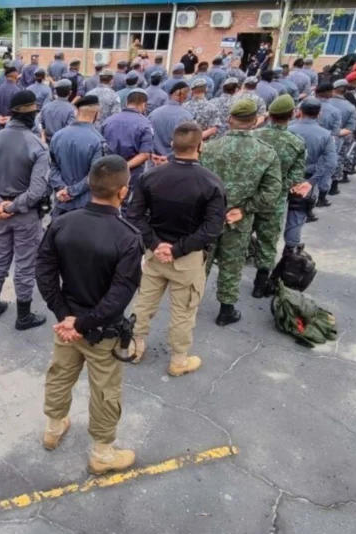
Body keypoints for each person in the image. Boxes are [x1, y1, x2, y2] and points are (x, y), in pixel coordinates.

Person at [35, 155, 142, 474]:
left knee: (59, 375)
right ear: (122, 191)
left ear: (91, 185)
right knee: (106, 391)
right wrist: (82, 323)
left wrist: (65, 316)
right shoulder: (127, 237)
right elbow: (120, 295)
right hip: (100, 331)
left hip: (67, 324)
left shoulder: (63, 222)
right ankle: (102, 453)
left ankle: (53, 430)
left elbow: (44, 271)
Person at [127, 123, 225, 376]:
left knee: (144, 302)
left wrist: (156, 244)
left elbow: (134, 215)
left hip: (154, 254)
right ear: (199, 146)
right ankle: (178, 360)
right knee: (183, 311)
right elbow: (212, 228)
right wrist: (178, 249)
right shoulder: (211, 182)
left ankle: (134, 347)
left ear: (172, 144)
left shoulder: (151, 176)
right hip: (188, 258)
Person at [200, 99, 282, 325]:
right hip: (239, 220)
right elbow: (271, 192)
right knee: (232, 263)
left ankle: (189, 307)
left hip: (207, 218)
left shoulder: (208, 148)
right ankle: (226, 311)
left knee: (200, 263)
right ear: (255, 122)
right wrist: (244, 209)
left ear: (229, 120)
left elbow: (195, 185)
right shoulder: (266, 153)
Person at [0, 90, 49, 330]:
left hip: (0, 214)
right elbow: (37, 191)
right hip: (25, 215)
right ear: (31, 115)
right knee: (25, 264)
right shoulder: (37, 145)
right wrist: (12, 206)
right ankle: (23, 316)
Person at [250, 95, 306, 298]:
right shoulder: (296, 143)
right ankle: (260, 283)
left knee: (240, 237)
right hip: (274, 200)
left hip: (249, 197)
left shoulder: (254, 136)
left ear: (270, 115)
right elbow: (297, 176)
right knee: (268, 241)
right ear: (292, 114)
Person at [286, 99, 337, 253]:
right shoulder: (325, 135)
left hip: (281, 178)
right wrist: (312, 181)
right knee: (296, 216)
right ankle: (289, 253)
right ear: (319, 113)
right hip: (306, 179)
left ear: (299, 111)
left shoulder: (287, 128)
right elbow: (330, 163)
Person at [49, 95, 104, 217]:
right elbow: (94, 176)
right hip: (85, 206)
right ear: (98, 114)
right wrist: (71, 191)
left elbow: (53, 167)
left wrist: (62, 189)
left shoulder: (57, 136)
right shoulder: (98, 140)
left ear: (77, 112)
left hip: (61, 203)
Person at [101, 89, 153, 209]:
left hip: (108, 170)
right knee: (128, 208)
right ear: (143, 104)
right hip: (131, 174)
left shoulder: (108, 121)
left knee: (107, 204)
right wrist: (124, 166)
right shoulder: (145, 124)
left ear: (127, 102)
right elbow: (145, 154)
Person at [148, 81, 193, 159]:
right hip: (175, 162)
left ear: (170, 94)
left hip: (154, 160)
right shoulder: (187, 116)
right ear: (185, 97)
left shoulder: (153, 114)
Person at [329, 79, 356, 198]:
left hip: (322, 136)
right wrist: (336, 134)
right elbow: (350, 128)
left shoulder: (324, 102)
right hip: (341, 137)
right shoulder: (350, 107)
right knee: (339, 159)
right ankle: (334, 186)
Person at [0, 66, 20, 131]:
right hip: (12, 125)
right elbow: (20, 109)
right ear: (15, 76)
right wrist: (11, 117)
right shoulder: (17, 91)